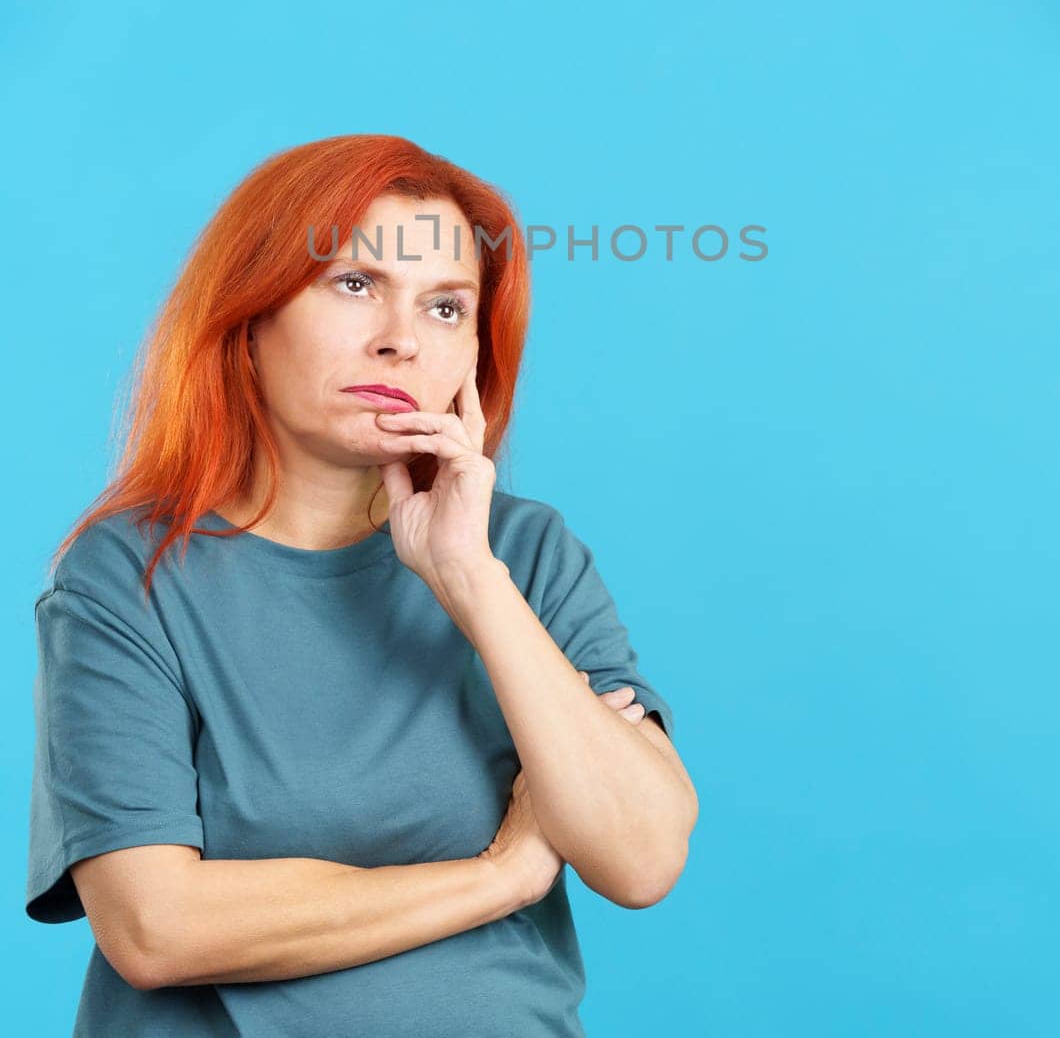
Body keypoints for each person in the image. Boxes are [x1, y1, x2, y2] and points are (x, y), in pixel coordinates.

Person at [26, 133, 699, 1037]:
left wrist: (469, 578)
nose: (400, 341)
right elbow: (155, 928)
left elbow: (640, 858)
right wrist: (500, 875)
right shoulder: (126, 574)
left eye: (446, 307)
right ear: (250, 318)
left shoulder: (525, 553)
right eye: (354, 285)